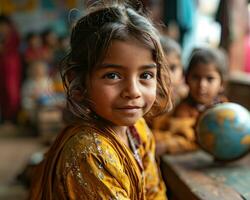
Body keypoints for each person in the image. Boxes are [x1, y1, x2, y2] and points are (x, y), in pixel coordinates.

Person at [29, 1, 171, 199]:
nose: (133, 91)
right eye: (112, 75)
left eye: (145, 75)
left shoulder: (138, 129)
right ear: (78, 82)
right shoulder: (90, 154)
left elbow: (154, 193)